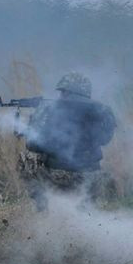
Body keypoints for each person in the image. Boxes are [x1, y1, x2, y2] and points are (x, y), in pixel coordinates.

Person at [19, 72, 116, 211]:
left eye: (63, 92)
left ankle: (42, 207)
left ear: (69, 92)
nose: (61, 96)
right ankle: (86, 205)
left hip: (59, 175)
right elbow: (105, 140)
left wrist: (35, 118)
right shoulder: (100, 110)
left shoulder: (52, 110)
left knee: (26, 159)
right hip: (92, 177)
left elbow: (34, 145)